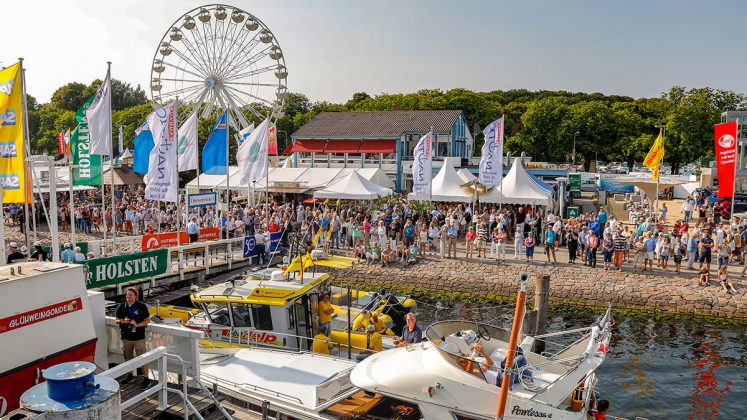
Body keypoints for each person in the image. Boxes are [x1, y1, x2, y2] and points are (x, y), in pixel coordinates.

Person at [115, 287, 151, 389]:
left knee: (143, 358)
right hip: (126, 337)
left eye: (130, 295)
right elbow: (116, 320)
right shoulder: (122, 306)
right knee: (127, 358)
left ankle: (146, 379)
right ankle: (130, 376)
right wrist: (123, 321)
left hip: (139, 337)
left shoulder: (142, 306)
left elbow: (148, 320)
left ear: (136, 296)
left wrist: (137, 324)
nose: (128, 296)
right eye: (127, 295)